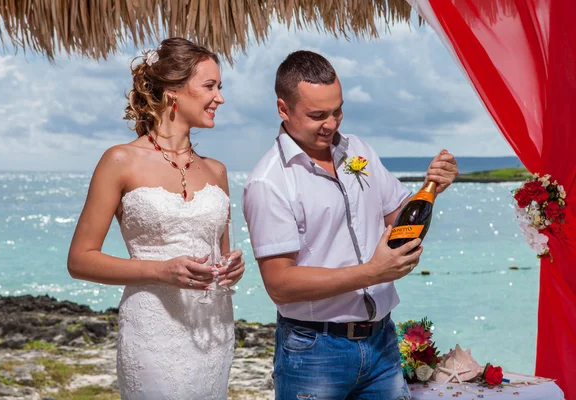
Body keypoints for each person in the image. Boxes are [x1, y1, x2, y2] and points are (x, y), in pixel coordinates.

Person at [242, 50, 458, 399]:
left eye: (337, 110)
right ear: (283, 109)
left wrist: (432, 187)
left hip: (382, 342)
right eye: (317, 115)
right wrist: (371, 273)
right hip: (314, 352)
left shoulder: (359, 150)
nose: (332, 124)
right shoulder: (268, 182)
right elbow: (279, 284)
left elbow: (399, 220)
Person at [67, 37, 245, 399]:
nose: (220, 98)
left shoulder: (218, 171)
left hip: (214, 331)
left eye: (220, 87)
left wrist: (232, 267)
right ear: (173, 92)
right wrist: (160, 270)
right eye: (210, 86)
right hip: (153, 334)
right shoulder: (119, 161)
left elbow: (222, 254)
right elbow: (80, 260)